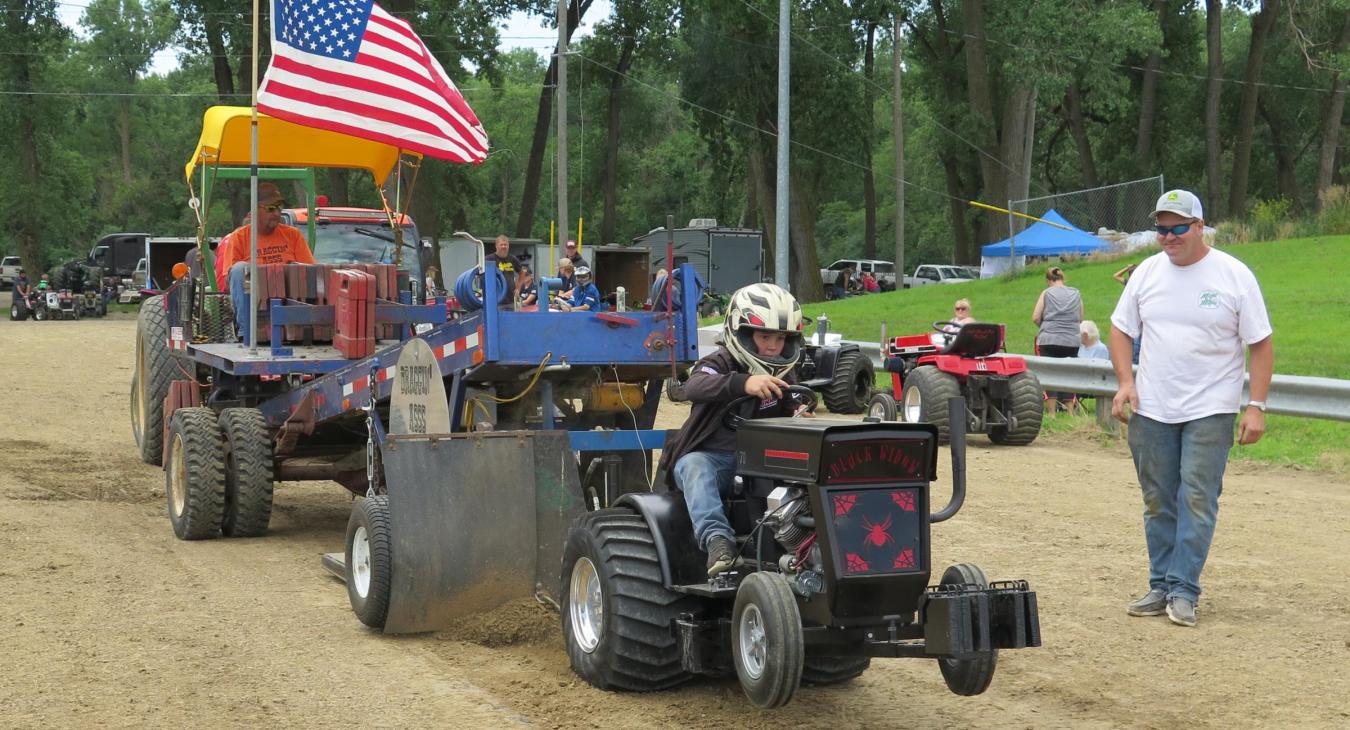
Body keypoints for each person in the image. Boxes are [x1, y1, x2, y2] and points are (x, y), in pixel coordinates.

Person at [1110, 189, 1273, 629]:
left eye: (1178, 227)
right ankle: (1160, 583)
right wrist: (1127, 382)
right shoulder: (1146, 273)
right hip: (1153, 406)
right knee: (1158, 499)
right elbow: (1121, 330)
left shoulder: (1233, 276)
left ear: (1200, 227)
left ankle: (1184, 590)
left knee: (1197, 497)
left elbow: (1260, 344)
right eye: (1161, 229)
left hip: (1211, 407)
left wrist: (1255, 405)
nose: (1168, 236)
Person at [656, 283, 809, 576]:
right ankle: (718, 541)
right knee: (693, 466)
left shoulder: (786, 371)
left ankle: (804, 548)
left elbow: (793, 402)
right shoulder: (720, 361)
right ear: (743, 334)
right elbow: (695, 386)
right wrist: (743, 383)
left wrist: (798, 411)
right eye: (764, 336)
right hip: (716, 460)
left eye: (780, 338)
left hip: (764, 462)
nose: (773, 346)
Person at [215, 182, 316, 343]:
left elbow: (310, 271)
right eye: (270, 208)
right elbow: (230, 280)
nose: (277, 213)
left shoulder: (293, 235)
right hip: (256, 304)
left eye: (279, 207)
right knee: (239, 268)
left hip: (289, 302)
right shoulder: (239, 237)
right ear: (255, 210)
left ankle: (301, 328)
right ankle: (246, 331)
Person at [1032, 266, 1083, 411]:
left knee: (1050, 374)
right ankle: (1070, 413)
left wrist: (1046, 327)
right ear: (1063, 279)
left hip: (1049, 339)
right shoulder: (1076, 293)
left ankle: (1052, 413)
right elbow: (1080, 318)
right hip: (1072, 340)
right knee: (1069, 373)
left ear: (1049, 281)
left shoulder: (1046, 293)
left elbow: (1035, 317)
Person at [1114, 263, 1142, 364]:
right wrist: (1127, 268)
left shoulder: (1141, 284)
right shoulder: (1129, 284)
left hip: (1139, 317)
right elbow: (1116, 276)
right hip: (1130, 317)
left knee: (1138, 341)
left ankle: (1136, 361)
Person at [485, 235, 524, 305]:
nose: (503, 247)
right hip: (495, 296)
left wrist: (518, 288)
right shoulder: (488, 259)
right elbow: (481, 273)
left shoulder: (513, 259)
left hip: (511, 297)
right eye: (501, 245)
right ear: (496, 246)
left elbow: (522, 273)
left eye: (505, 245)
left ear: (508, 246)